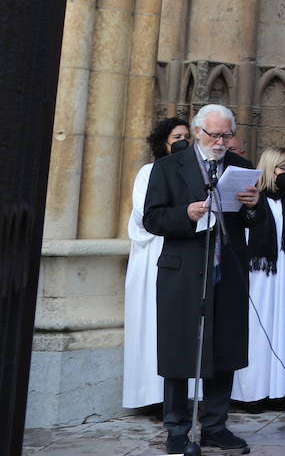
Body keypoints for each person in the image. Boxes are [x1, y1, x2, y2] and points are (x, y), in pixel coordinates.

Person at [142, 103, 259, 455]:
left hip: (226, 271)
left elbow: (256, 220)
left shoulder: (241, 167)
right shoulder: (167, 167)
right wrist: (186, 214)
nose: (221, 141)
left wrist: (254, 205)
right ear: (196, 132)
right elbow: (152, 219)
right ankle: (177, 428)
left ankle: (215, 426)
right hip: (183, 272)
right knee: (180, 349)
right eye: (214, 134)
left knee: (224, 348)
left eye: (226, 135)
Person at [233, 147, 285, 406]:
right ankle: (251, 394)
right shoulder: (254, 196)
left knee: (283, 330)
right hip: (260, 275)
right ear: (270, 169)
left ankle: (277, 390)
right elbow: (242, 231)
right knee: (257, 331)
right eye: (283, 168)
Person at [123, 116, 189, 410]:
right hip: (154, 254)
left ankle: (178, 397)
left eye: (186, 136)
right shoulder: (149, 172)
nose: (182, 142)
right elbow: (144, 213)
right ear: (163, 141)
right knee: (153, 322)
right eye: (176, 137)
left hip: (183, 252)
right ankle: (152, 395)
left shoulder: (193, 173)